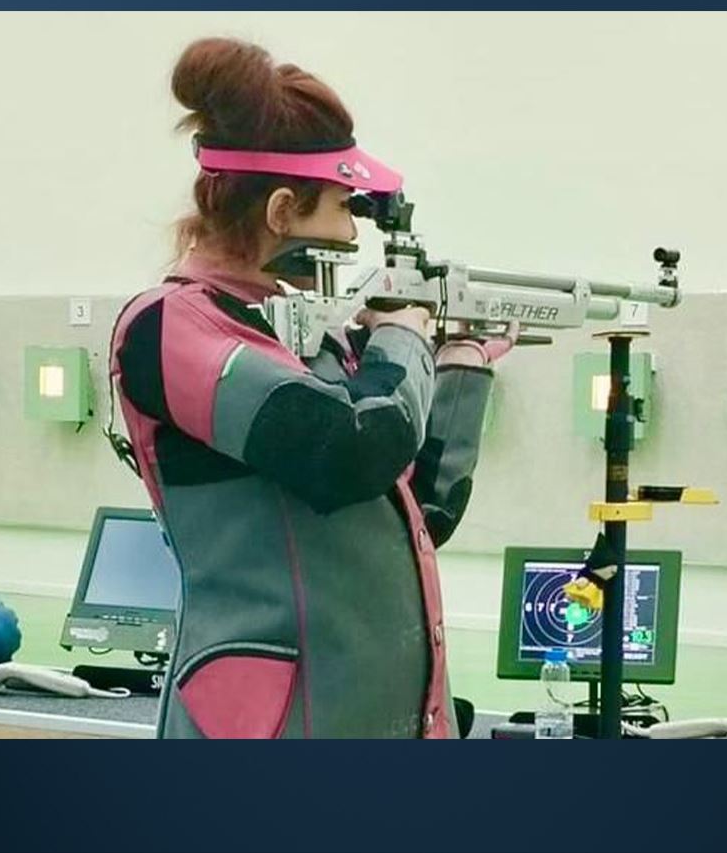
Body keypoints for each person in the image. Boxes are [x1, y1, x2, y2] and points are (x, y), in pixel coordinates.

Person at [109, 37, 516, 738]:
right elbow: (349, 452)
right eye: (343, 205)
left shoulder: (312, 338)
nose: (353, 230)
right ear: (281, 211)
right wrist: (404, 335)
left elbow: (418, 509)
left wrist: (464, 362)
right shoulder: (169, 328)